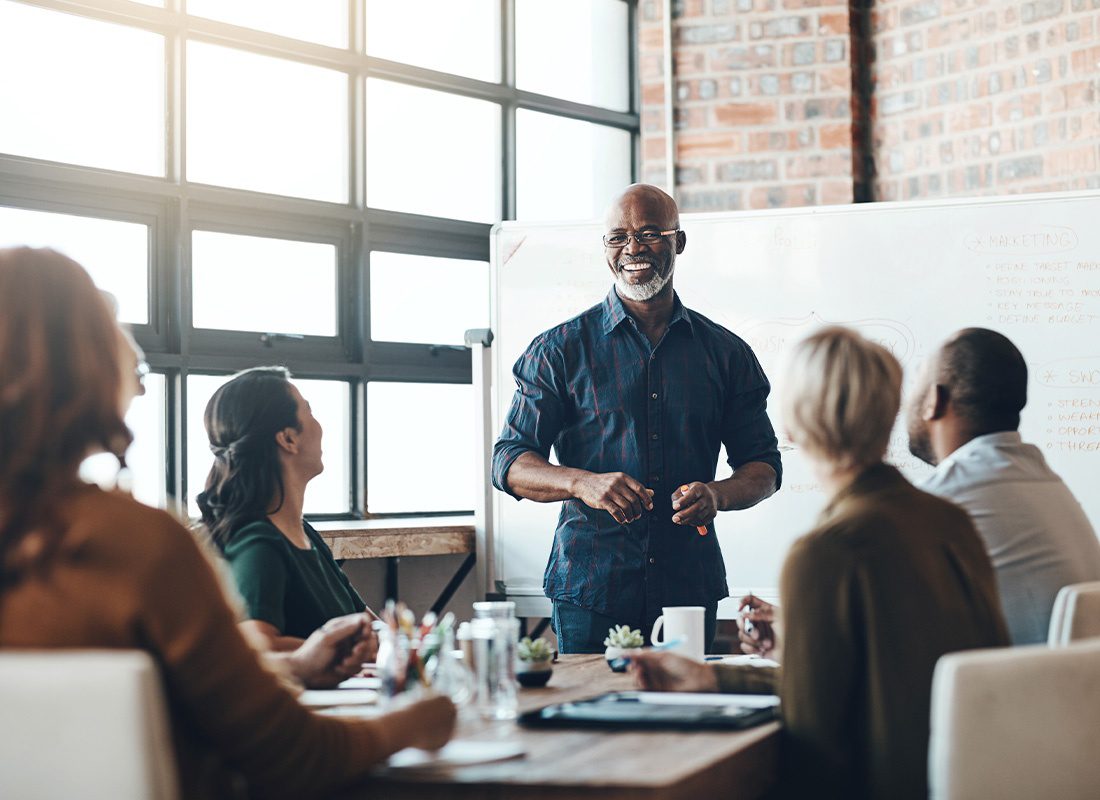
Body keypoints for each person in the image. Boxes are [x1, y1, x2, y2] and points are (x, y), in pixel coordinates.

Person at [0, 247, 454, 799]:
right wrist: (422, 719)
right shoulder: (134, 544)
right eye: (115, 328)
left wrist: (294, 670)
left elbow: (164, 701)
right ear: (86, 364)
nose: (139, 368)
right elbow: (298, 758)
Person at [630, 326, 1009, 800]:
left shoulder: (826, 553)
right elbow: (879, 672)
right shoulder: (951, 521)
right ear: (890, 412)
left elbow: (813, 740)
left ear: (790, 426)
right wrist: (714, 677)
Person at [492, 184, 782, 654]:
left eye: (649, 234)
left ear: (678, 242)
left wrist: (718, 495)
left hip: (688, 588)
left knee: (685, 722)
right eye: (617, 237)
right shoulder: (559, 350)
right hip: (591, 590)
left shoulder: (726, 354)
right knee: (589, 725)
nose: (633, 249)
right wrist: (581, 483)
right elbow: (508, 461)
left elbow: (764, 467)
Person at [907, 327, 1100, 644]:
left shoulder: (937, 502)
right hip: (1073, 690)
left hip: (1005, 691)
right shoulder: (1050, 487)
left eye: (916, 382)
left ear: (933, 400)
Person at [197, 367, 368, 651]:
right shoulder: (259, 544)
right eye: (309, 412)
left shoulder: (306, 534)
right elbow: (256, 646)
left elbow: (367, 623)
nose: (320, 425)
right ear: (288, 439)